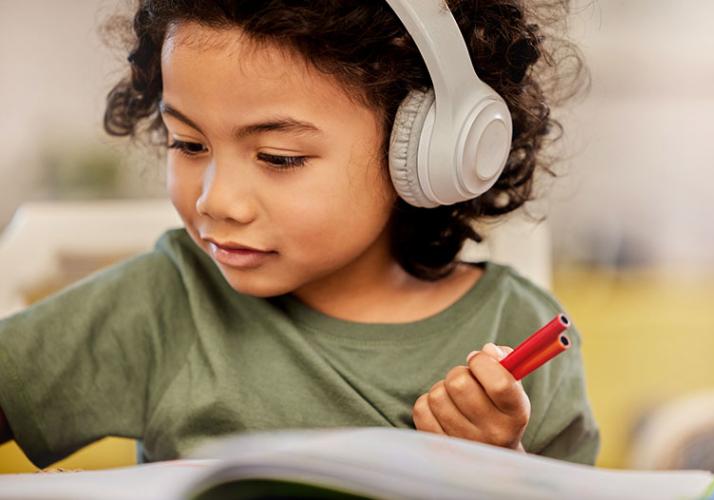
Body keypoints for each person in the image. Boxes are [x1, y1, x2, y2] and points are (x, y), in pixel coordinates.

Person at [0, 0, 599, 469]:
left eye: (278, 156)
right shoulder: (169, 301)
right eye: (188, 144)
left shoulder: (519, 335)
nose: (216, 200)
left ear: (425, 153)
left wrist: (503, 471)